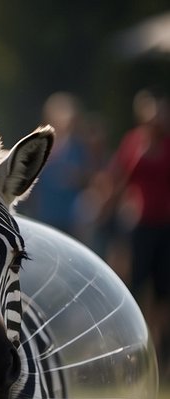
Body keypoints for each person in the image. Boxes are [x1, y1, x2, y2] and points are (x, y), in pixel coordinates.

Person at [103, 89, 170, 368]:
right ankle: (139, 351)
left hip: (166, 227)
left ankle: (161, 350)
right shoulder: (133, 143)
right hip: (140, 227)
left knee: (163, 293)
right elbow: (118, 180)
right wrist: (103, 208)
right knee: (138, 287)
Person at [23, 92, 97, 240]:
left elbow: (89, 178)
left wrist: (75, 176)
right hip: (44, 213)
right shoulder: (41, 145)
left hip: (70, 217)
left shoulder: (80, 147)